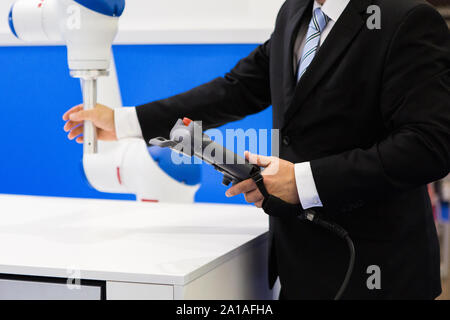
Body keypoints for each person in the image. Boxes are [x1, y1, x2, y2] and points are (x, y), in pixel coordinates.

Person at [63, 0, 450, 299]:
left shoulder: (407, 18)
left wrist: (301, 181)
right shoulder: (295, 12)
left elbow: (428, 146)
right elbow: (237, 88)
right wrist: (125, 122)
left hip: (378, 270)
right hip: (300, 265)